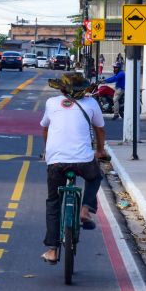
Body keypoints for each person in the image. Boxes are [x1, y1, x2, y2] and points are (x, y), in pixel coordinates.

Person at [40, 73, 106, 265]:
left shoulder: (52, 103)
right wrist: (100, 150)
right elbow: (100, 130)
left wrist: (48, 151)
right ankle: (85, 209)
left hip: (56, 162)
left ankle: (52, 251)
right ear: (83, 90)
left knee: (53, 202)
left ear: (61, 89)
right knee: (95, 177)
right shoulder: (92, 104)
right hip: (84, 161)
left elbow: (45, 128)